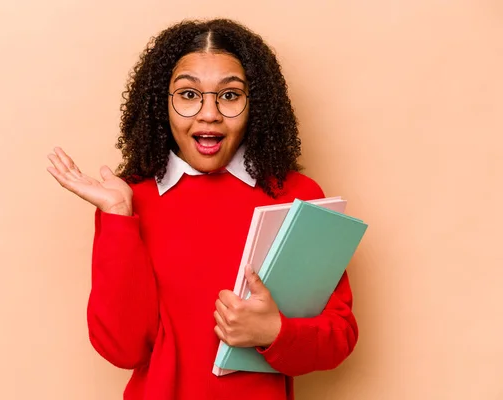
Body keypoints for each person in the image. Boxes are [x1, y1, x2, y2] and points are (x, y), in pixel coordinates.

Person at [47, 18, 358, 400]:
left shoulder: (295, 194)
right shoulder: (128, 198)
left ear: (255, 105)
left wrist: (274, 332)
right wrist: (117, 215)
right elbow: (123, 349)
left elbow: (338, 336)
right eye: (188, 94)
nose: (209, 113)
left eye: (229, 96)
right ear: (162, 104)